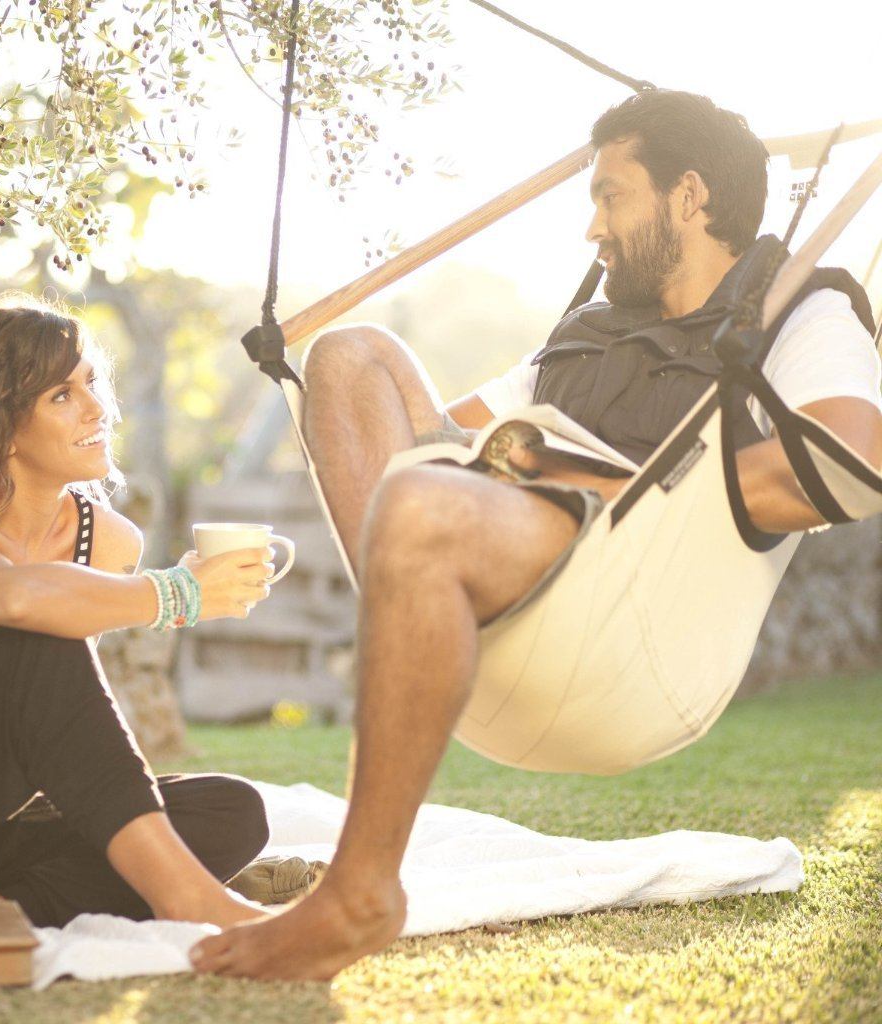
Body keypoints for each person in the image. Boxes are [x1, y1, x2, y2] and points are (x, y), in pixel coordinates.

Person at [190, 89, 882, 979]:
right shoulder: (587, 331)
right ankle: (416, 613)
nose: (593, 229)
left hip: (629, 627)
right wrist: (475, 464)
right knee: (351, 357)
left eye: (610, 196)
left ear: (688, 197)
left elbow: (851, 461)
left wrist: (621, 486)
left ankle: (361, 889)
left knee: (423, 502)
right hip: (506, 587)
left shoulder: (798, 311)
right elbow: (433, 443)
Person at [0, 298, 276, 928]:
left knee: (228, 810)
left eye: (92, 382)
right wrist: (175, 595)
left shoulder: (108, 540)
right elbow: (10, 599)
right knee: (37, 634)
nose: (97, 408)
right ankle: (188, 900)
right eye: (61, 395)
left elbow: (53, 723)